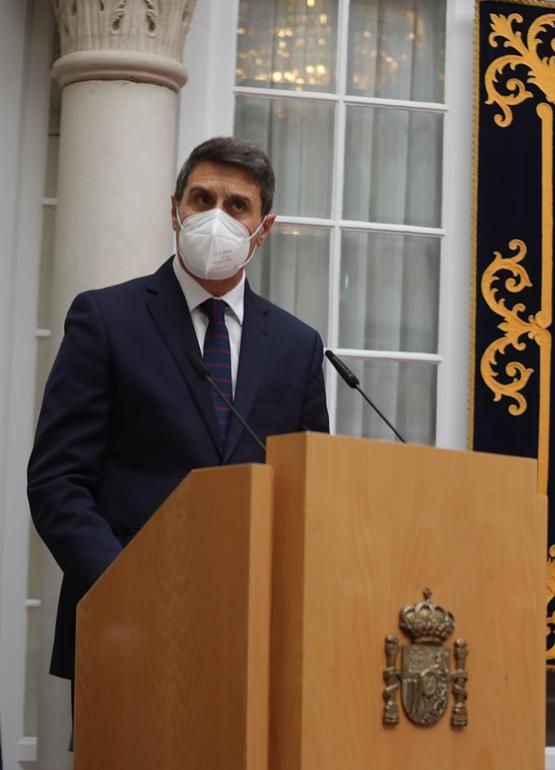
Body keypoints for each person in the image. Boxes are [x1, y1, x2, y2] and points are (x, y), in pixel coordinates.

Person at [28, 136, 330, 683]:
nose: (217, 217)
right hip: (127, 630)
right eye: (201, 199)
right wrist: (129, 587)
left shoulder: (298, 345)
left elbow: (311, 494)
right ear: (174, 211)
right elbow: (57, 480)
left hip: (255, 638)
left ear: (263, 231)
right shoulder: (106, 319)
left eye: (238, 206)